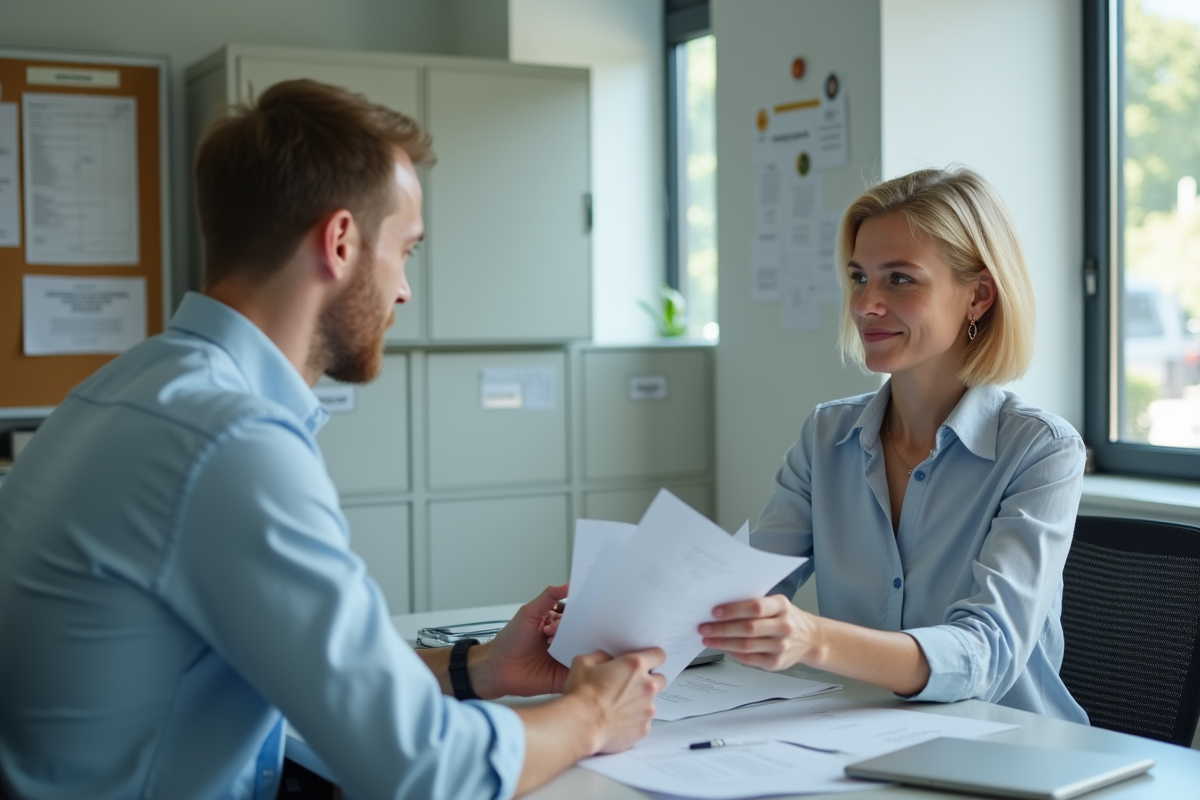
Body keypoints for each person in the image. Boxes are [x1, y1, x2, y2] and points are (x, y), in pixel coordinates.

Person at [0, 79, 666, 800]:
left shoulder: (131, 389)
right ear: (341, 241)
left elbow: (315, 679)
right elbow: (425, 770)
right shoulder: (229, 441)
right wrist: (595, 713)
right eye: (405, 251)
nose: (405, 291)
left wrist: (480, 668)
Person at [698, 167, 1088, 723]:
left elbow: (987, 654)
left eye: (900, 279)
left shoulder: (1041, 451)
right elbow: (742, 596)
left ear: (977, 296)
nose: (866, 305)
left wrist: (813, 639)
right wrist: (615, 626)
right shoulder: (826, 436)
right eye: (859, 278)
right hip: (859, 737)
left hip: (1007, 749)